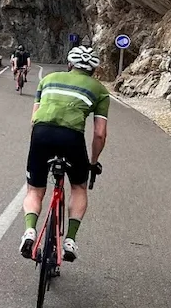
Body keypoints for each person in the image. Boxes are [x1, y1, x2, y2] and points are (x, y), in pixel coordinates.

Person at [20, 45, 108, 262]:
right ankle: (69, 240)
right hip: (72, 138)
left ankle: (29, 231)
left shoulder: (48, 79)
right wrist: (93, 162)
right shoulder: (100, 90)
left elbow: (34, 119)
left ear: (69, 64)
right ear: (94, 70)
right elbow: (99, 134)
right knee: (78, 187)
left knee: (34, 189)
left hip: (41, 134)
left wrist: (36, 147)